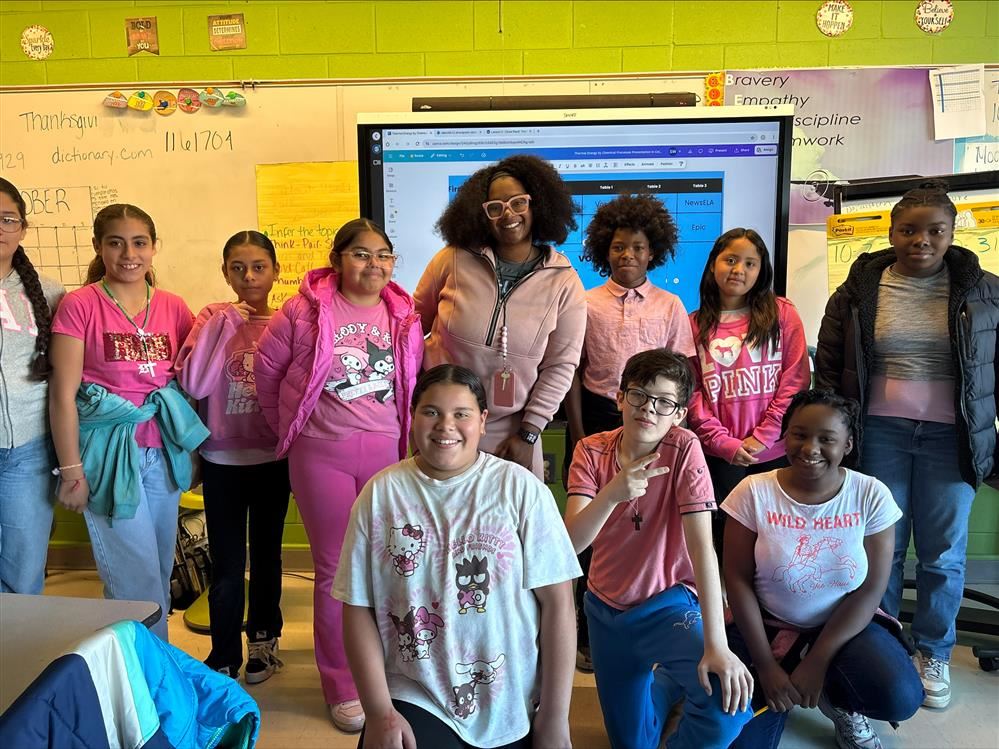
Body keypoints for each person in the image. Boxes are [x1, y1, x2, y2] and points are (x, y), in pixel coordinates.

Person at [815, 180, 999, 709]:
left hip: (952, 439)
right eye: (909, 230)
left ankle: (934, 652)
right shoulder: (856, 292)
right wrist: (834, 436)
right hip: (880, 436)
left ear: (952, 233)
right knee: (883, 549)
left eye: (935, 230)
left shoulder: (985, 293)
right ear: (892, 232)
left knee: (943, 553)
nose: (922, 240)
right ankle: (886, 646)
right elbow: (829, 365)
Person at [333, 364, 580, 749]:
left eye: (461, 413)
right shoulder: (381, 494)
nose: (445, 426)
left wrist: (554, 715)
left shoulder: (521, 490)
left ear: (482, 420)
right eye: (431, 412)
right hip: (414, 691)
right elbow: (357, 608)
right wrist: (380, 712)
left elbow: (559, 605)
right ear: (412, 417)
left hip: (509, 700)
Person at [254, 218, 423, 733]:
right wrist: (291, 427)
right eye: (360, 254)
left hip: (388, 454)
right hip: (320, 454)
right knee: (335, 570)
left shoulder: (405, 314)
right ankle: (342, 684)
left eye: (383, 255)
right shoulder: (302, 310)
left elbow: (412, 380)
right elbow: (267, 371)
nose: (374, 264)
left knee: (391, 565)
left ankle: (388, 675)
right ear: (337, 260)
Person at [565, 348, 753, 749]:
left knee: (725, 709)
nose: (649, 408)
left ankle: (673, 688)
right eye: (639, 395)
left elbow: (702, 549)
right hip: (606, 610)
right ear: (620, 398)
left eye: (664, 402)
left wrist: (717, 645)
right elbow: (572, 544)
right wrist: (613, 493)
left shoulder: (684, 448)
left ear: (679, 414)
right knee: (631, 743)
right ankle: (668, 685)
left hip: (668, 605)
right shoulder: (591, 450)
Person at [723, 389, 923, 749]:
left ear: (848, 444)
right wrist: (765, 665)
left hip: (843, 627)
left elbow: (871, 587)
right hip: (765, 625)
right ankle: (782, 685)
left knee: (900, 695)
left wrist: (817, 661)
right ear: (785, 436)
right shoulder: (753, 491)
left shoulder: (871, 494)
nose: (810, 448)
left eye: (826, 439)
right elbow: (737, 580)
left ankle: (836, 697)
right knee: (736, 738)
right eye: (799, 434)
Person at [48, 203, 205, 642]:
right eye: (116, 243)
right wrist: (72, 470)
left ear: (154, 247)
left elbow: (188, 384)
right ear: (98, 246)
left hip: (163, 451)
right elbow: (62, 394)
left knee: (158, 571)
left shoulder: (173, 306)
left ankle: (153, 663)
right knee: (135, 582)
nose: (129, 254)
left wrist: (194, 454)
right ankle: (148, 674)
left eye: (139, 243)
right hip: (108, 454)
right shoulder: (80, 305)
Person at [563, 193, 696, 673]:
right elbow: (572, 371)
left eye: (638, 247)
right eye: (618, 246)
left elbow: (683, 374)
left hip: (654, 422)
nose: (627, 255)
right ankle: (586, 630)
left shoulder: (670, 305)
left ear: (652, 251)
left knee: (647, 523)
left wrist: (674, 433)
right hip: (599, 416)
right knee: (593, 523)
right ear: (605, 250)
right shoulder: (585, 302)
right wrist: (579, 430)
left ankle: (651, 618)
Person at [415, 154, 586, 479]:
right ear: (481, 214)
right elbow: (410, 328)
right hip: (442, 427)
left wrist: (529, 433)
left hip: (512, 435)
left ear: (538, 205)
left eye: (518, 203)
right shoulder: (451, 259)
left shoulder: (564, 282)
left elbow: (561, 366)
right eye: (495, 207)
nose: (508, 214)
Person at [176, 230, 290, 683]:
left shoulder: (287, 320)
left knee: (267, 557)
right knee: (226, 564)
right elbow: (195, 383)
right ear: (225, 273)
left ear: (275, 271)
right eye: (238, 268)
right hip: (222, 461)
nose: (249, 276)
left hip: (273, 460)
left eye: (259, 267)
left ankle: (263, 640)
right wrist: (225, 323)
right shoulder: (211, 317)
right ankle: (223, 652)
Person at [687, 228, 810, 551]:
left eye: (750, 263)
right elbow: (692, 394)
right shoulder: (693, 325)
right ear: (713, 264)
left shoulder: (783, 313)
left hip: (774, 451)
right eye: (730, 260)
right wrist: (724, 443)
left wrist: (764, 436)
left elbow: (795, 381)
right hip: (720, 455)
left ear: (761, 270)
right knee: (726, 541)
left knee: (776, 542)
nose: (738, 270)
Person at [0, 177, 64, 594]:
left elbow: (66, 374)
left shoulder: (51, 293)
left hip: (28, 452)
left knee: (23, 577)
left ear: (23, 228)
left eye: (7, 219)